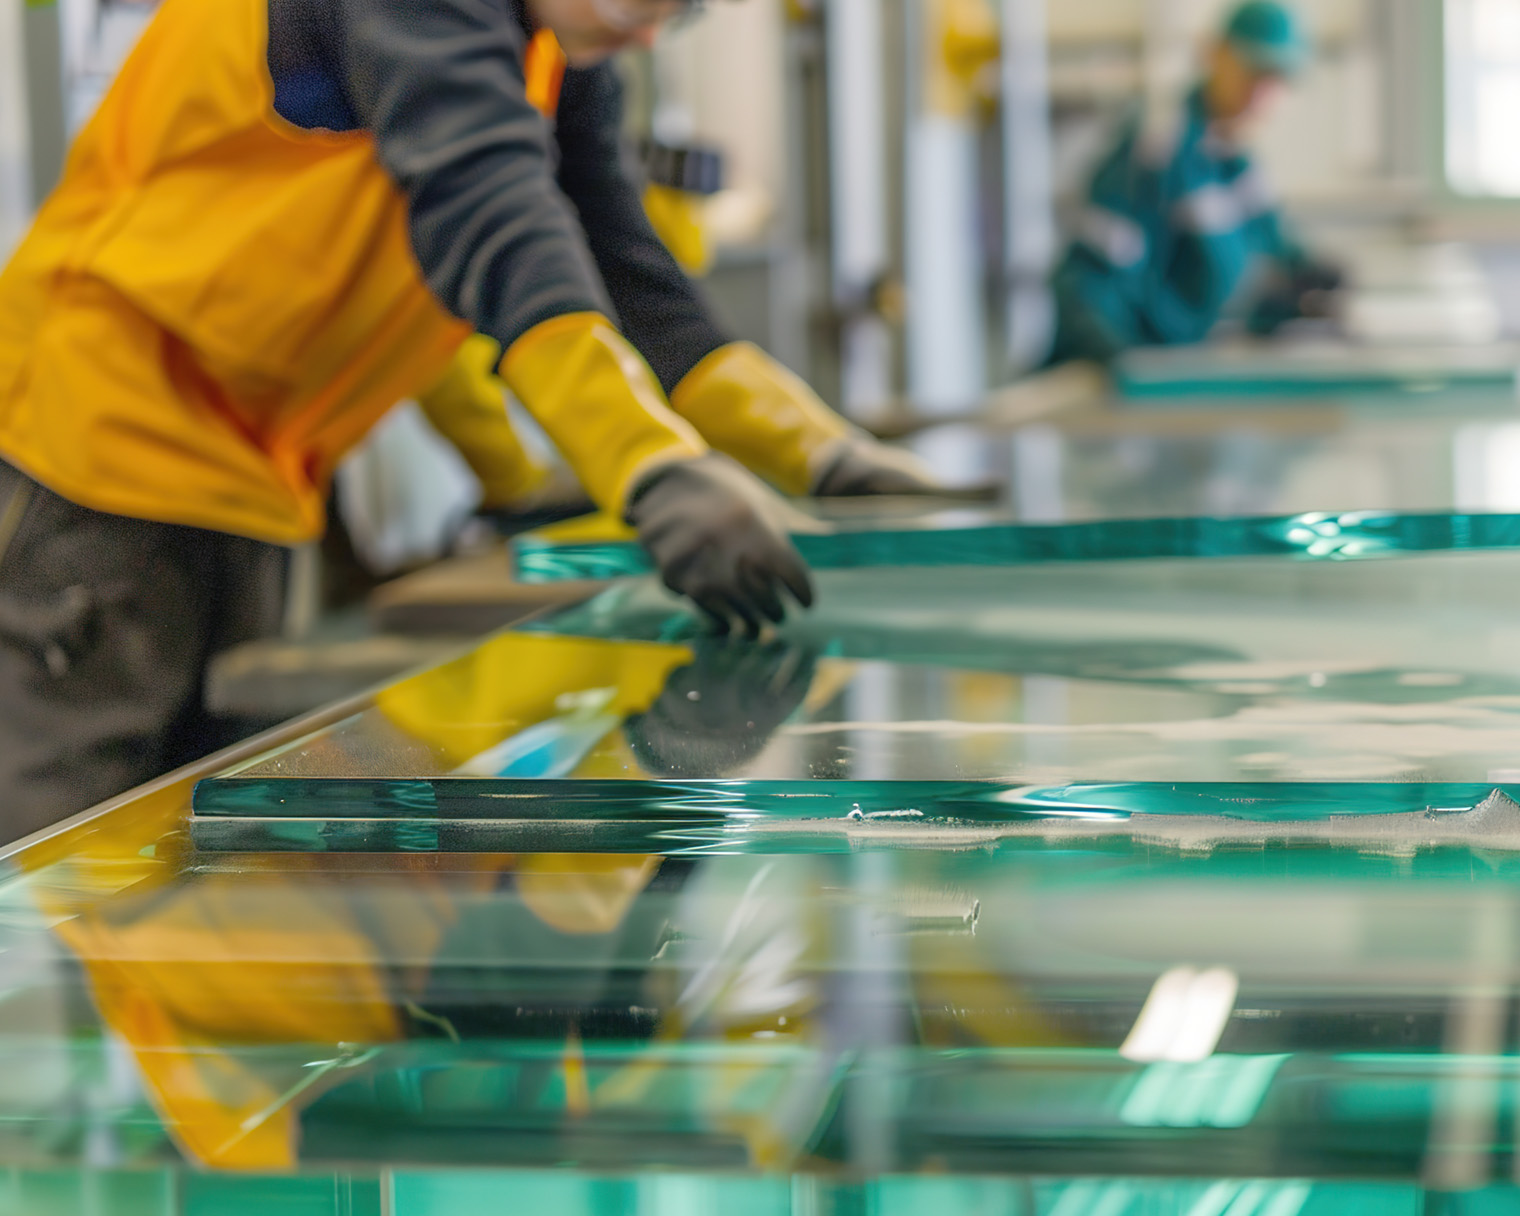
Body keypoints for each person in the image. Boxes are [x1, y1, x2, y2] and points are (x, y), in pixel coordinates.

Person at [0, 0, 941, 843]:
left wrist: (817, 452)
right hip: (87, 449)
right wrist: (653, 470)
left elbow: (627, 266)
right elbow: (488, 209)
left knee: (181, 841)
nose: (653, 30)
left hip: (250, 476)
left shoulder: (551, 51)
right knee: (59, 843)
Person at [1045, 0, 1341, 367]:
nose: (1261, 92)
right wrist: (1125, 368)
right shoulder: (1159, 146)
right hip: (1129, 373)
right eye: (1253, 70)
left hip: (1186, 366)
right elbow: (1088, 281)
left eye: (1276, 78)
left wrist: (1310, 278)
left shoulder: (1235, 164)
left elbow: (1274, 248)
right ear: (1215, 55)